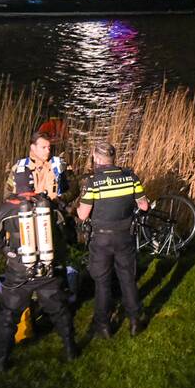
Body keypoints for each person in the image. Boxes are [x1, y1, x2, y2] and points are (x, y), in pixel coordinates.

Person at [0, 180, 78, 372]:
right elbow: (67, 233)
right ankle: (71, 350)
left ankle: (0, 361)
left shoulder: (6, 210)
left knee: (9, 316)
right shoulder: (50, 206)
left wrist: (7, 253)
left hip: (19, 273)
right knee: (59, 311)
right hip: (47, 271)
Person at [77, 141, 149, 338]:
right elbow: (144, 207)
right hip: (125, 237)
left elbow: (83, 215)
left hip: (101, 240)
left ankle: (103, 326)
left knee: (103, 283)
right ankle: (135, 321)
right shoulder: (131, 178)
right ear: (113, 158)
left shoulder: (93, 182)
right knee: (127, 279)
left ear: (97, 160)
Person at [8, 131, 70, 202]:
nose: (47, 151)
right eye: (43, 147)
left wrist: (60, 200)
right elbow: (8, 192)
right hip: (25, 209)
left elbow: (74, 189)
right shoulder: (19, 167)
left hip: (53, 209)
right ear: (33, 148)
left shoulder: (59, 164)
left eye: (49, 147)